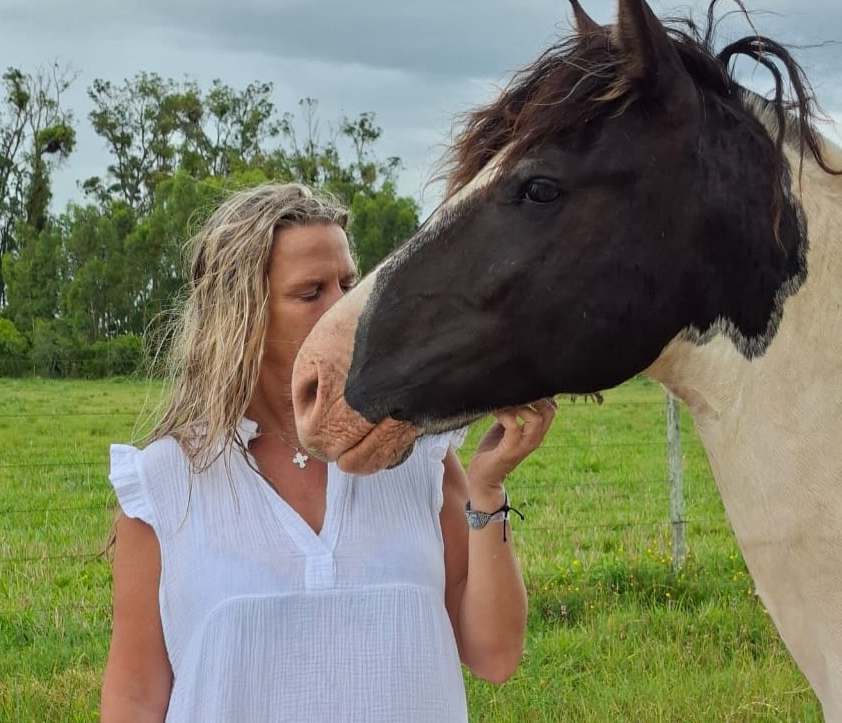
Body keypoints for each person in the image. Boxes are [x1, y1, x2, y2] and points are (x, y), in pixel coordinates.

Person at [100, 182, 557, 722]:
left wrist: (487, 490)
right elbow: (134, 697)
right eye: (311, 291)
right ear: (242, 320)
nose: (347, 309)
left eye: (348, 283)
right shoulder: (165, 483)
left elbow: (495, 656)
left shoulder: (415, 458)